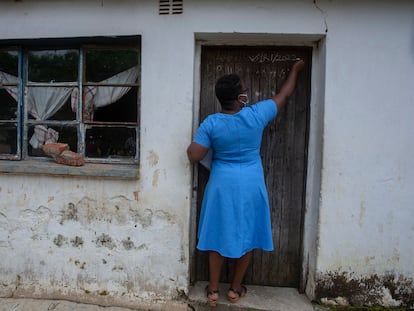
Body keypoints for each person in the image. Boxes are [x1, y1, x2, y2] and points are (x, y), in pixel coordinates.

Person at [187, 60, 305, 307]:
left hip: (222, 183)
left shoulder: (211, 123)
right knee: (248, 233)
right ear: (241, 97)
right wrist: (295, 70)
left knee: (217, 233)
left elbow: (194, 155)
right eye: (245, 89)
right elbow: (285, 94)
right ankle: (235, 289)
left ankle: (212, 290)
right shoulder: (257, 114)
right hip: (251, 183)